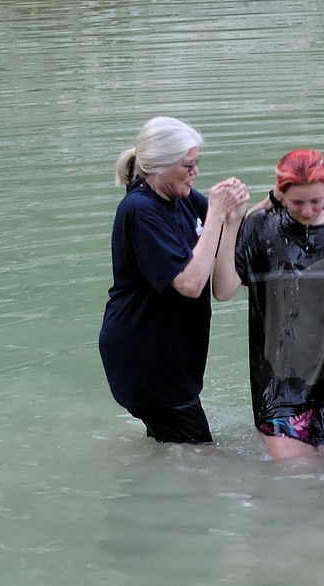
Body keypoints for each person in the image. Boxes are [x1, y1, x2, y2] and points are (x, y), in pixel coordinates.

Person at [98, 117, 249, 444]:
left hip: (175, 358)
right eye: (188, 165)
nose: (195, 172)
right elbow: (190, 283)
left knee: (177, 450)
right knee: (205, 464)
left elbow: (221, 284)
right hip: (146, 359)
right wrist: (217, 216)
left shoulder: (185, 199)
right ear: (159, 167)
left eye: (196, 163)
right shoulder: (139, 210)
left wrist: (240, 215)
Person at [215, 149, 324, 460]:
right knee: (296, 479)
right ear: (279, 193)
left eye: (317, 201)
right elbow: (224, 290)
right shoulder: (260, 227)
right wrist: (231, 225)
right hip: (279, 385)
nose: (308, 211)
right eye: (297, 203)